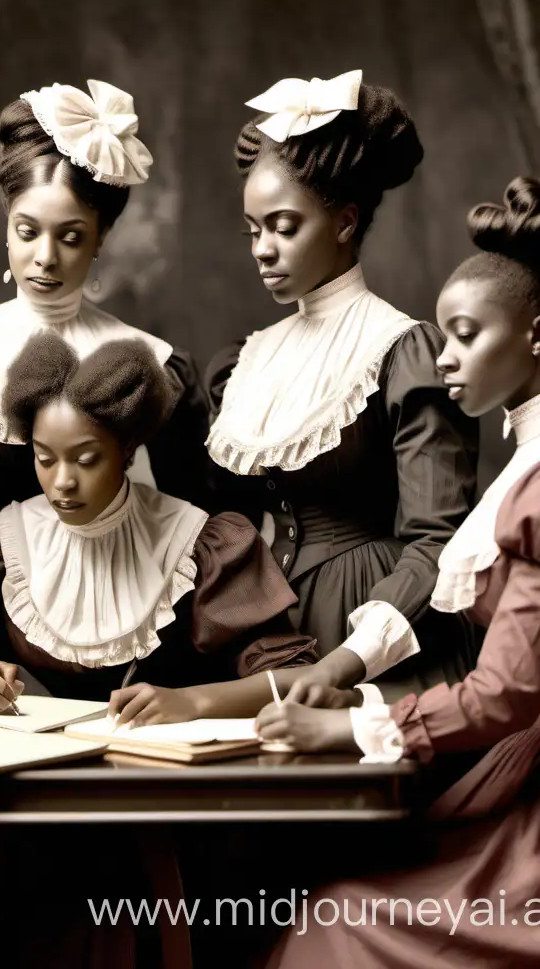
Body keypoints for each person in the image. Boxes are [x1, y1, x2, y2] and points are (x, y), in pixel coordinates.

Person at [258, 177, 540, 969]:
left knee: (336, 917)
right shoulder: (539, 461)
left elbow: (508, 693)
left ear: (538, 335)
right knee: (323, 890)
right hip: (527, 765)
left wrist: (347, 725)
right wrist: (346, 674)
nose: (443, 357)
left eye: (464, 334)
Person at [206, 68, 480, 701]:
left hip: (372, 623)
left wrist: (354, 656)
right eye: (253, 229)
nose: (262, 249)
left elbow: (437, 539)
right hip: (264, 625)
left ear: (345, 222)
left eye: (283, 226)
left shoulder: (402, 351)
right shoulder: (247, 362)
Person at [0, 79, 211, 566]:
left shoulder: (158, 362)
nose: (45, 258)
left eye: (71, 237)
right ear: (7, 223)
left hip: (114, 590)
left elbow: (201, 515)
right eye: (28, 232)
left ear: (100, 240)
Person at [0, 333, 313, 713]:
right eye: (45, 458)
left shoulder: (198, 544)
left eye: (85, 460)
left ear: (128, 451)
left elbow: (297, 676)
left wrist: (191, 703)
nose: (62, 482)